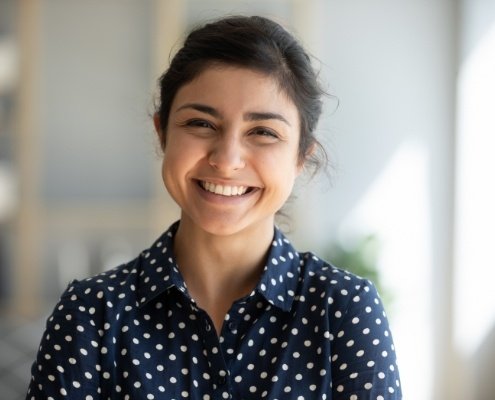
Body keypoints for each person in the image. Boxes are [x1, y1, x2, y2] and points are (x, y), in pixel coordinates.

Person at [26, 15, 401, 400]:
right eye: (201, 123)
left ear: (301, 156)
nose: (226, 159)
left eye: (263, 132)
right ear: (162, 132)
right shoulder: (91, 314)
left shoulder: (344, 310)